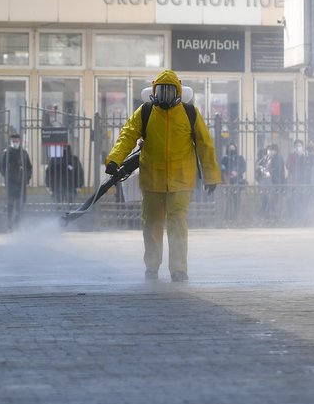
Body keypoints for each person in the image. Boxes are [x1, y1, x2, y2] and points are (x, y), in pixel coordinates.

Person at [104, 70, 221, 282]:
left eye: (169, 91)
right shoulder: (146, 112)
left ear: (178, 90)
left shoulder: (189, 113)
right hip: (152, 180)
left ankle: (178, 270)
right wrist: (114, 159)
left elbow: (205, 145)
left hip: (181, 181)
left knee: (177, 223)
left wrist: (211, 176)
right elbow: (127, 135)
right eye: (162, 91)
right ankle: (152, 267)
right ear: (154, 90)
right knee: (151, 224)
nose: (165, 96)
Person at [0, 133, 33, 231]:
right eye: (13, 141)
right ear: (10, 142)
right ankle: (9, 224)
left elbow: (29, 167)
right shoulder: (6, 152)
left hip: (21, 183)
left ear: (20, 141)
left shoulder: (24, 153)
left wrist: (27, 178)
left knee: (20, 205)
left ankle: (18, 224)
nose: (15, 143)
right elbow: (1, 167)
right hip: (10, 183)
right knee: (10, 204)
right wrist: (7, 175)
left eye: (16, 141)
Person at [219, 143, 246, 222]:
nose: (232, 150)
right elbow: (222, 168)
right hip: (228, 182)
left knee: (237, 200)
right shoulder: (224, 159)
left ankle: (236, 216)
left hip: (237, 182)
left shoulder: (240, 158)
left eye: (233, 148)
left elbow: (243, 167)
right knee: (228, 200)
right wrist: (228, 174)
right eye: (230, 148)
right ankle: (227, 217)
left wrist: (237, 172)